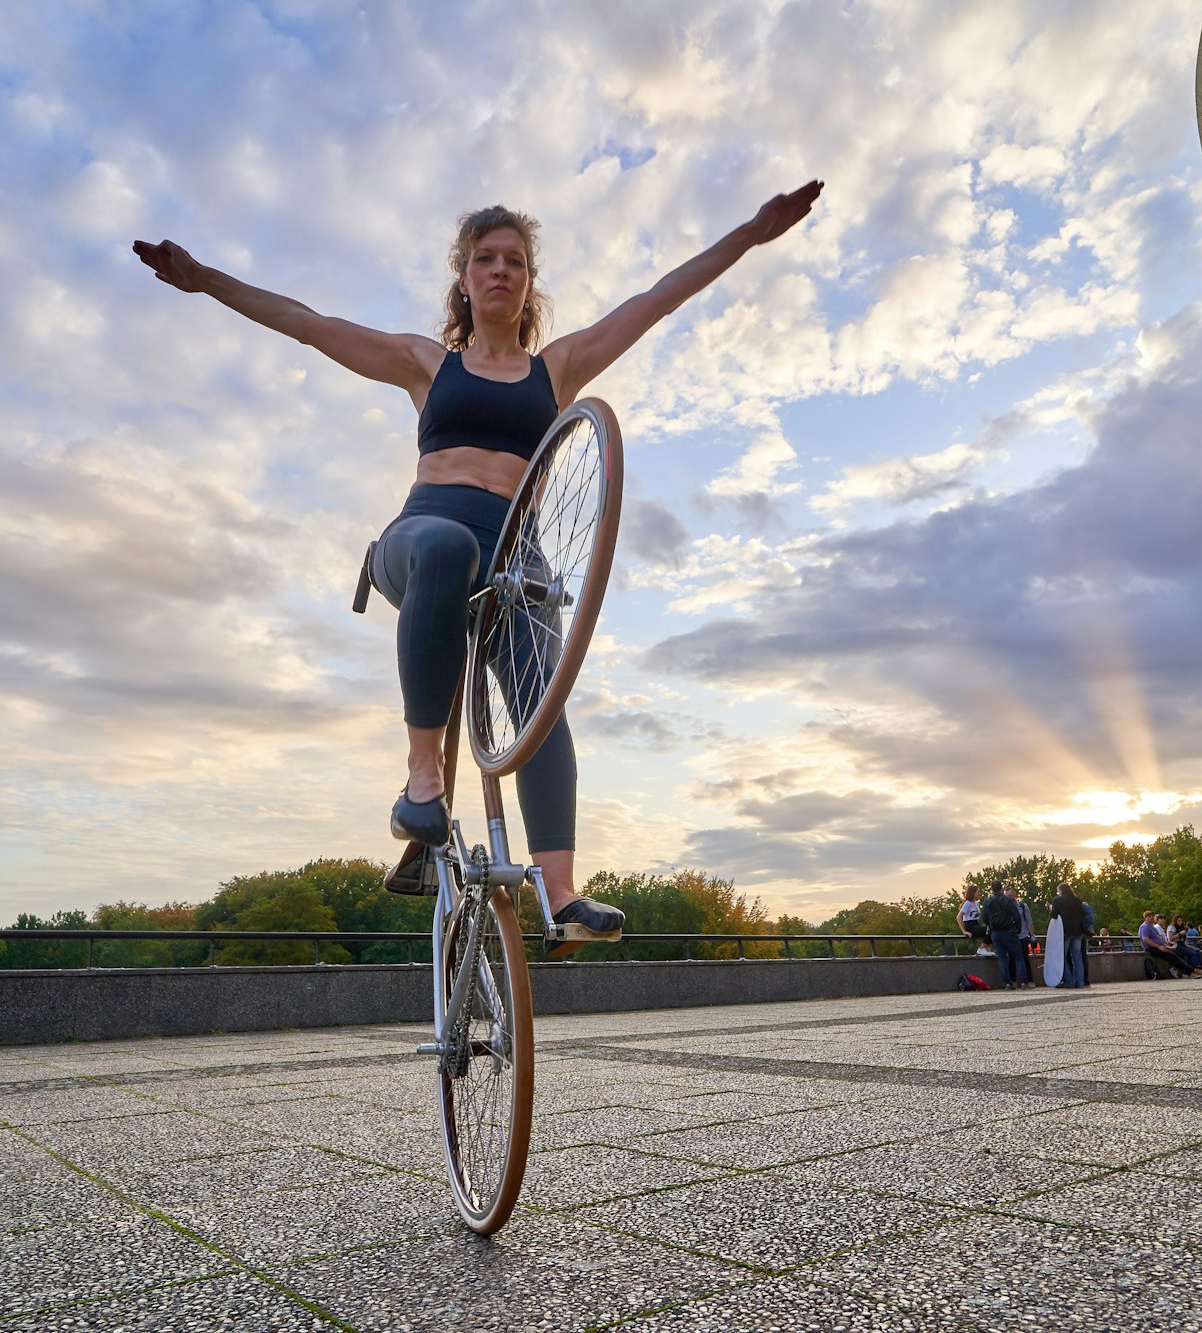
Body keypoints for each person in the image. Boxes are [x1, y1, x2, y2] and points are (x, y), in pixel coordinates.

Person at [134, 182, 822, 953]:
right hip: (424, 538)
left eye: (516, 262)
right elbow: (308, 325)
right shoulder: (426, 364)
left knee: (542, 692)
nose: (501, 271)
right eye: (485, 259)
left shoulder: (557, 369)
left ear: (530, 284)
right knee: (446, 548)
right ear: (463, 278)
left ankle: (559, 892)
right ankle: (422, 780)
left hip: (514, 565)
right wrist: (207, 280)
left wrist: (751, 233)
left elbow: (659, 298)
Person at [982, 880, 1027, 989]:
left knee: (1002, 958)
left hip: (995, 933)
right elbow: (1016, 915)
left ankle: (1007, 983)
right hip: (1009, 932)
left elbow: (985, 918)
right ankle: (1023, 981)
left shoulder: (988, 901)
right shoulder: (1007, 900)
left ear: (992, 889)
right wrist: (1018, 929)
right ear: (1002, 889)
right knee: (1018, 957)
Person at [1139, 910, 1202, 977]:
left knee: (1176, 954)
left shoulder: (1153, 927)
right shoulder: (1145, 927)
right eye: (1149, 916)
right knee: (1172, 956)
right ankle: (1191, 972)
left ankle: (1191, 970)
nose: (1152, 917)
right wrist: (1158, 947)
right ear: (1145, 918)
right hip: (1151, 948)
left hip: (1160, 946)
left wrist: (1167, 946)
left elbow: (1160, 938)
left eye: (1152, 916)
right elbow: (1145, 939)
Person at [1053, 882, 1089, 987]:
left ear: (1061, 891)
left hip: (1065, 932)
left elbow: (1054, 915)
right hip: (1078, 932)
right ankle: (1080, 981)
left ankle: (1069, 980)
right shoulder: (1077, 900)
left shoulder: (1057, 900)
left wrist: (1051, 908)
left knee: (1062, 957)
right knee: (1077, 957)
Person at [958, 885, 994, 957]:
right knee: (989, 929)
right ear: (973, 893)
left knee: (992, 928)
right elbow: (959, 917)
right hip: (970, 926)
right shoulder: (967, 903)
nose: (979, 893)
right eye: (978, 892)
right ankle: (982, 948)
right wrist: (964, 931)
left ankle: (987, 948)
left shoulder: (976, 904)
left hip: (976, 924)